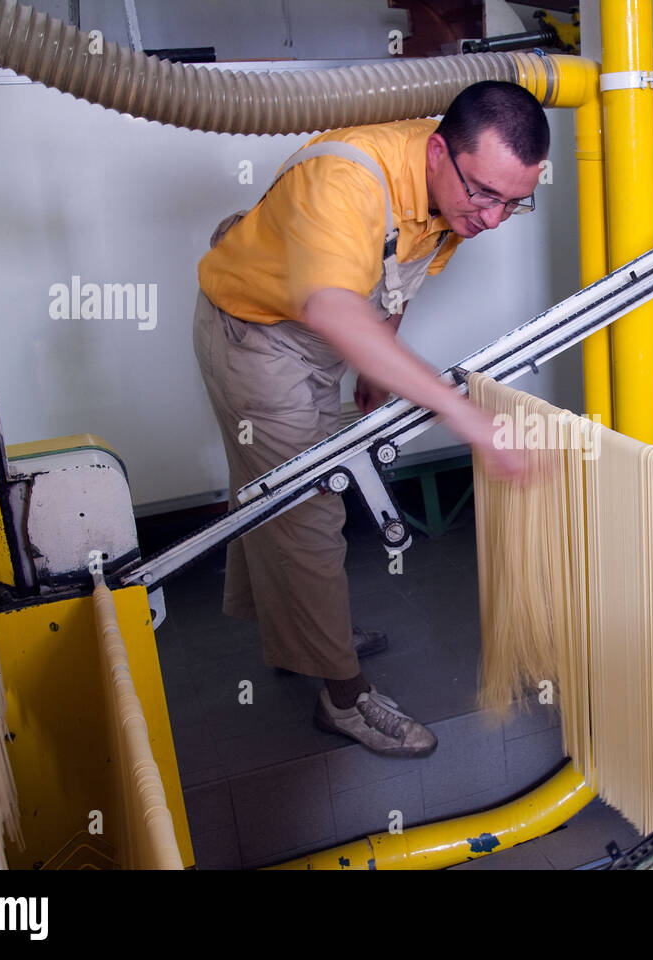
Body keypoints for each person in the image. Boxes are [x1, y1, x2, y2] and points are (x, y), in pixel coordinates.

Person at [193, 81, 546, 757]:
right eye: (485, 195)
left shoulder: (454, 192)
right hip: (257, 338)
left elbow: (398, 276)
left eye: (514, 201)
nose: (495, 218)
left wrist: (375, 367)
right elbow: (331, 307)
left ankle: (303, 635)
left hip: (317, 337)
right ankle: (343, 697)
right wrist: (469, 420)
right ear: (438, 152)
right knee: (307, 513)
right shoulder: (347, 179)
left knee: (274, 501)